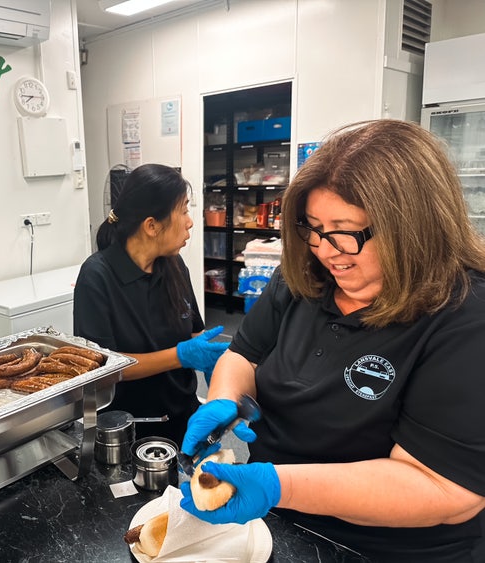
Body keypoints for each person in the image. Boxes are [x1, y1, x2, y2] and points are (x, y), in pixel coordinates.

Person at [179, 119, 485, 562]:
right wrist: (223, 398)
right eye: (314, 227)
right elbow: (244, 354)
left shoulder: (464, 316)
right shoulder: (304, 276)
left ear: (413, 228)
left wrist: (279, 485)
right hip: (279, 520)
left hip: (381, 547)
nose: (325, 249)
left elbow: (445, 489)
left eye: (345, 231)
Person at [73, 163, 228, 447]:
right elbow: (102, 369)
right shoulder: (97, 276)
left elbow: (194, 333)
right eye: (183, 211)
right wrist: (180, 356)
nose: (190, 222)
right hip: (131, 429)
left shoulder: (174, 265)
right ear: (152, 226)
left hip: (184, 414)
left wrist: (221, 390)